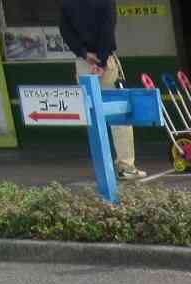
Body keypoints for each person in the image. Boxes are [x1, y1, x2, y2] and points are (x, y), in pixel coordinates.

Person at [59, 0, 138, 179]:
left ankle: (102, 167)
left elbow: (65, 31)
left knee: (92, 115)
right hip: (105, 62)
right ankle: (125, 166)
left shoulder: (67, 4)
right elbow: (107, 30)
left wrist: (84, 54)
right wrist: (101, 62)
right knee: (120, 114)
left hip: (83, 63)